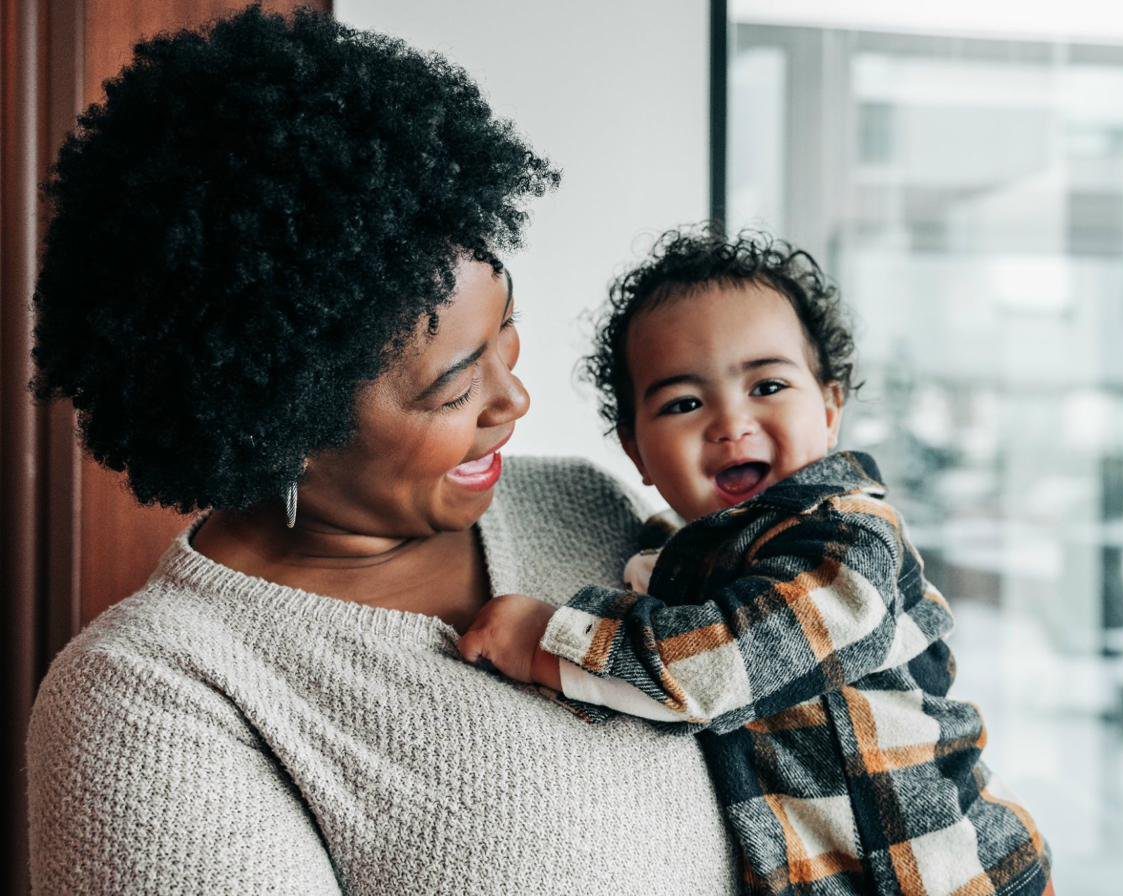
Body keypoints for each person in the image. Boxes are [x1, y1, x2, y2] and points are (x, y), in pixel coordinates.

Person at [25, 9, 739, 894]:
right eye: (453, 387)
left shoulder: (584, 509)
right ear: (279, 424)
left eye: (506, 329)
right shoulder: (148, 699)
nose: (515, 400)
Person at [458, 229, 1054, 896]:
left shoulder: (851, 542)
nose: (730, 423)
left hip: (957, 877)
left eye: (767, 385)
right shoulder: (690, 559)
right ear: (638, 453)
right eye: (683, 403)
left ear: (830, 409)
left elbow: (730, 660)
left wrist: (551, 641)